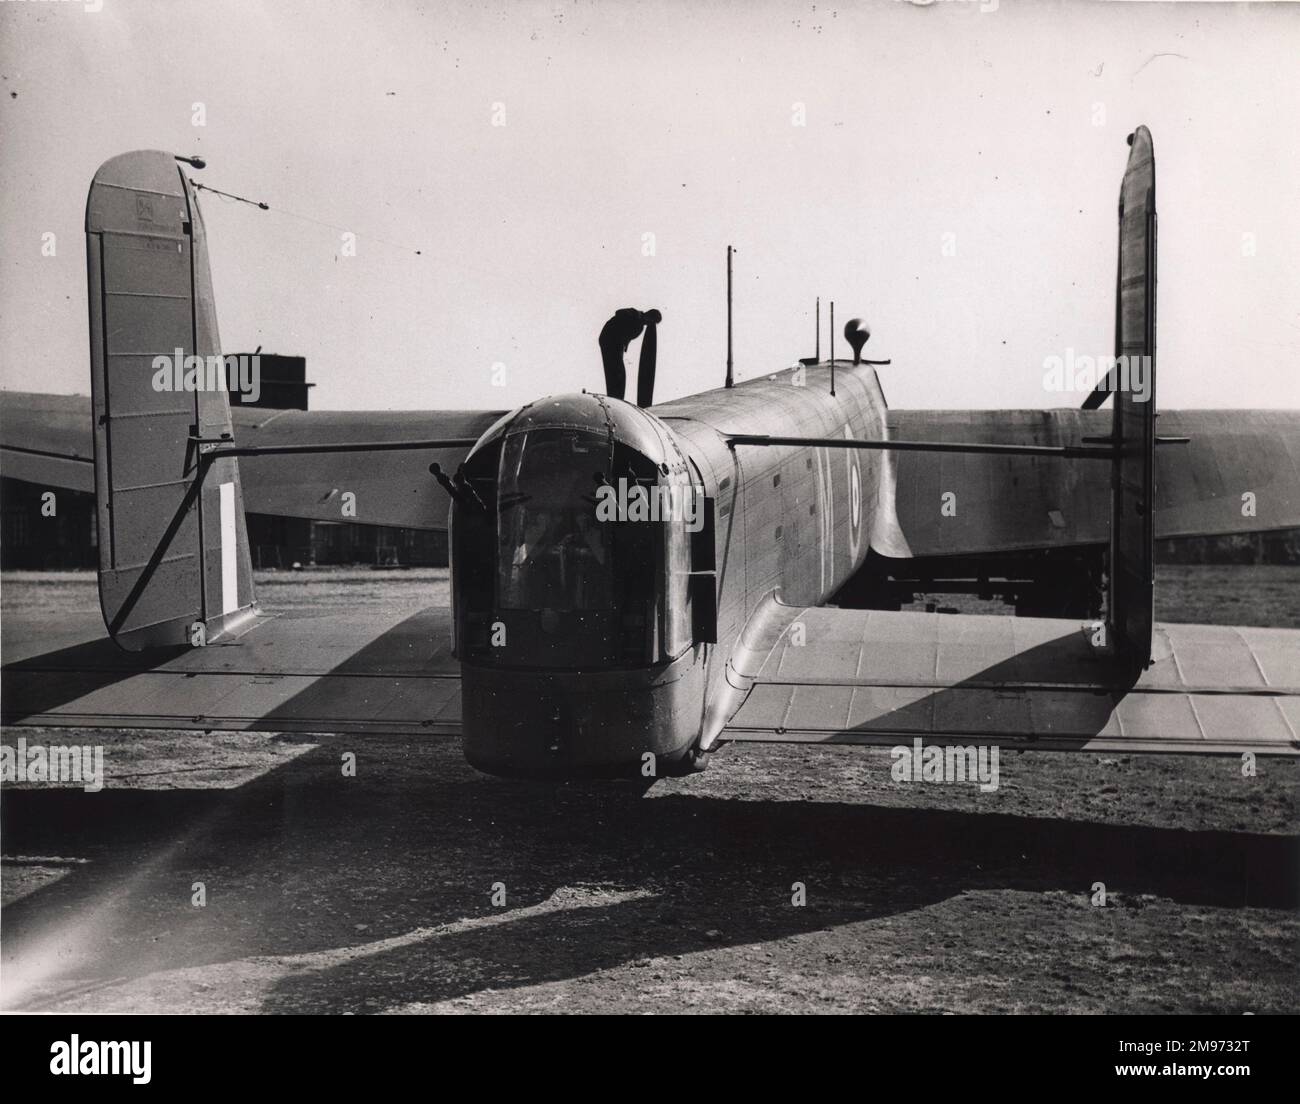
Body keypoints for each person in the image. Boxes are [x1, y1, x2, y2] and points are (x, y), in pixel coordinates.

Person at [599, 307, 662, 407]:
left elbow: (627, 337)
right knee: (617, 371)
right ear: (649, 315)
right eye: (652, 321)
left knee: (619, 372)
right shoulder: (635, 314)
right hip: (610, 340)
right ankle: (615, 397)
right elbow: (619, 312)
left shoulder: (640, 327)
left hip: (616, 344)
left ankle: (617, 397)